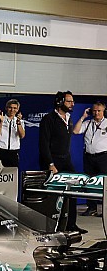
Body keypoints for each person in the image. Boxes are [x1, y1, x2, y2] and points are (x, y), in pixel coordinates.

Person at [38, 91, 87, 233]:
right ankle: (52, 226)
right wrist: (50, 164)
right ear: (60, 102)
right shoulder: (49, 119)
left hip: (66, 160)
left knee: (72, 192)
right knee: (53, 196)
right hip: (53, 161)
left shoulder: (69, 119)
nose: (73, 104)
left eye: (72, 101)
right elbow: (43, 144)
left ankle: (71, 224)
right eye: (69, 101)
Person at [74, 100, 107, 216]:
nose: (96, 113)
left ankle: (105, 210)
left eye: (99, 111)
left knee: (104, 184)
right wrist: (83, 117)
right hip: (89, 157)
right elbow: (75, 131)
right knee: (90, 183)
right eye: (94, 111)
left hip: (103, 157)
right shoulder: (88, 123)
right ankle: (92, 208)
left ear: (104, 112)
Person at [0, 99, 24, 167]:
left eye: (15, 108)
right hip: (0, 152)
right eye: (10, 107)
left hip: (13, 153)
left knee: (13, 175)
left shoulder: (20, 122)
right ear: (6, 108)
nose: (12, 110)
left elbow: (22, 136)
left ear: (17, 110)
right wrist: (1, 122)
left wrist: (18, 123)